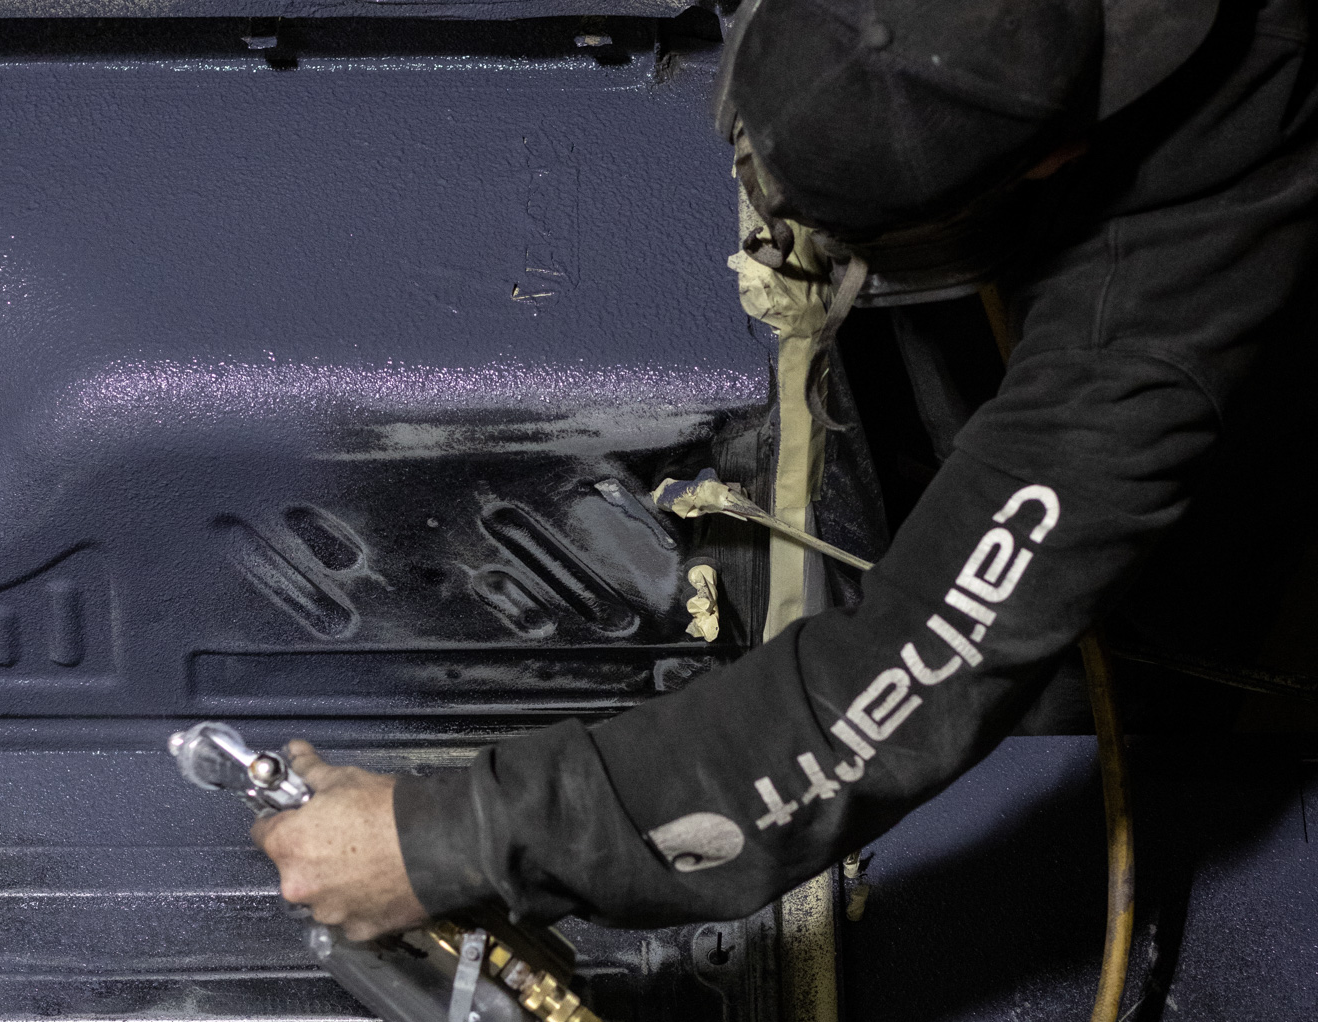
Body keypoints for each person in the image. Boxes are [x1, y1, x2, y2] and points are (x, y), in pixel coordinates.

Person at [254, 0, 1318, 942]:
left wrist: (463, 839)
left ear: (1050, 161)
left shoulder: (1181, 258)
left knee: (1097, 685)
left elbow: (917, 662)